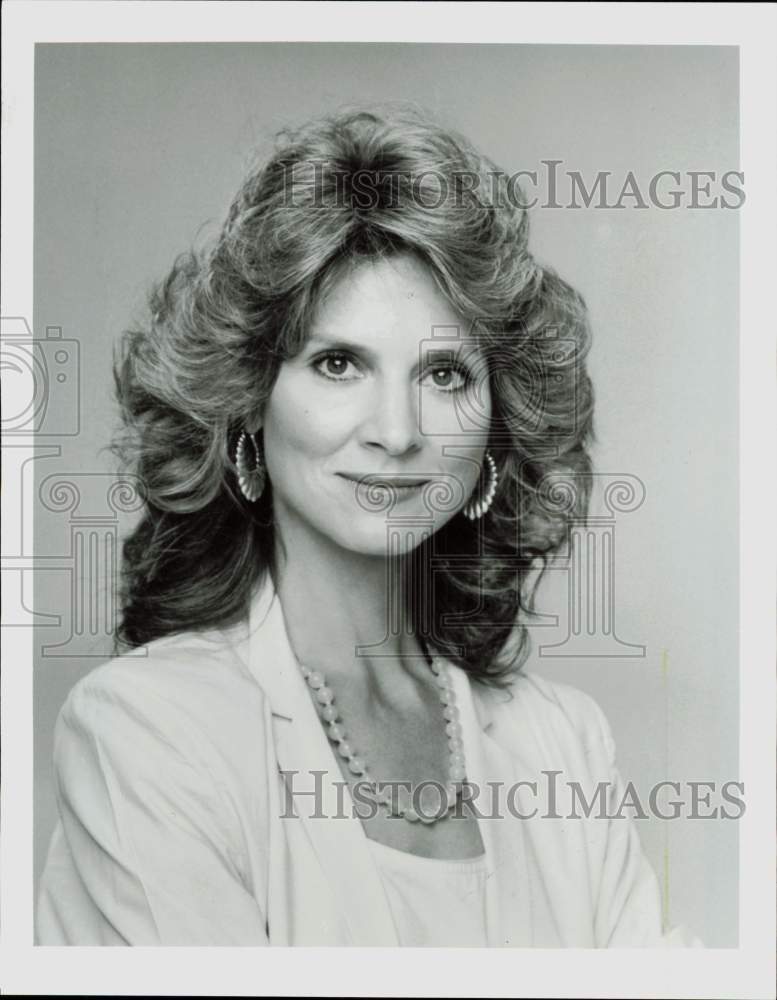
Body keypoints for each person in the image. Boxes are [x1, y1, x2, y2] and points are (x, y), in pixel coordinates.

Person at [36, 105, 694, 947]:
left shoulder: (561, 741)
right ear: (246, 412)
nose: (397, 431)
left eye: (444, 373)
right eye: (338, 363)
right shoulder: (147, 727)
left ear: (496, 432)